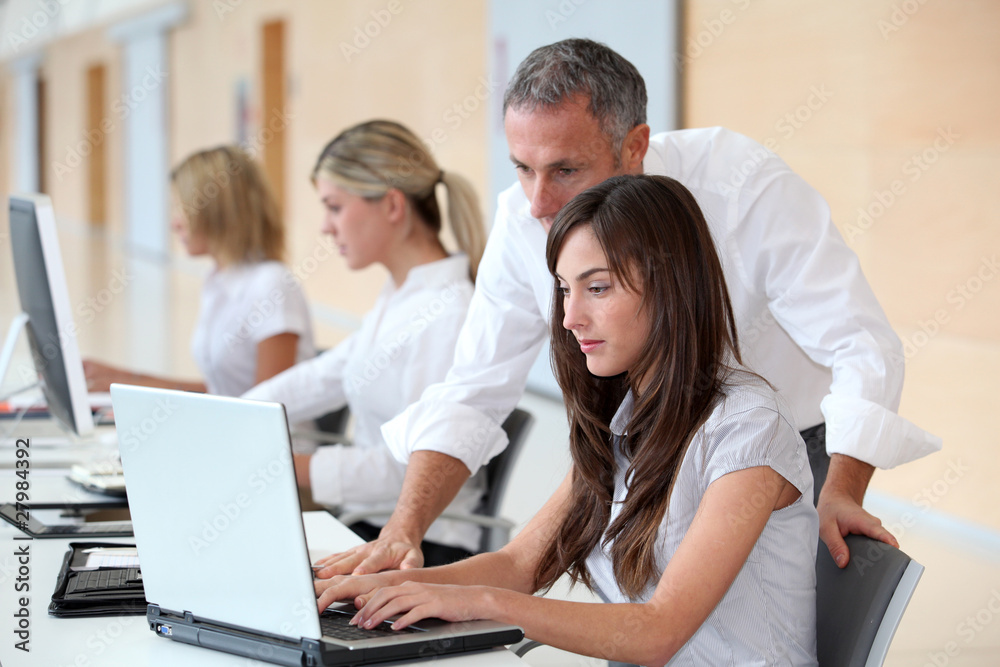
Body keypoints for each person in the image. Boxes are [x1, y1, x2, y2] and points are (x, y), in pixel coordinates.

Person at [314, 38, 940, 578]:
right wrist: (402, 531)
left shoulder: (741, 182)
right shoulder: (522, 217)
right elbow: (473, 389)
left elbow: (860, 344)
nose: (538, 203)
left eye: (564, 169)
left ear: (634, 146)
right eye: (522, 168)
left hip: (789, 448)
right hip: (648, 442)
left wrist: (843, 489)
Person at [316, 175, 819, 666]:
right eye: (563, 290)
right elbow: (517, 566)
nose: (569, 317)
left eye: (596, 288)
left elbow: (657, 632)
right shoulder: (624, 419)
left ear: (672, 286)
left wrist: (482, 605)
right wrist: (380, 587)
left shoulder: (750, 429)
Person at [242, 120, 488, 565]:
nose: (325, 226)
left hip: (424, 546)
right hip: (372, 523)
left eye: (334, 207)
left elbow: (410, 471)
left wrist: (278, 463)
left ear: (392, 205)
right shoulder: (402, 295)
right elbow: (325, 376)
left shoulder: (447, 314)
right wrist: (236, 418)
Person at [84, 145, 314, 397]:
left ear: (216, 210)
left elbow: (268, 411)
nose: (174, 223)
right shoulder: (217, 278)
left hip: (270, 434)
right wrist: (121, 379)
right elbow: (222, 392)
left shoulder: (271, 284)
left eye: (181, 208)